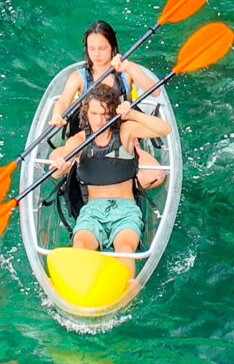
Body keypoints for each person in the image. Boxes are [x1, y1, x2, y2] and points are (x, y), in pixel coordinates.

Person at [49, 79, 169, 256]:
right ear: (86, 113)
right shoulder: (79, 140)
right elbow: (58, 174)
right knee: (80, 245)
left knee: (125, 249)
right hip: (92, 210)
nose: (99, 120)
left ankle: (129, 283)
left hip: (126, 208)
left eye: (105, 114)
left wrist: (134, 115)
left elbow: (164, 129)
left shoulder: (126, 131)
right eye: (94, 113)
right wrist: (61, 166)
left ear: (112, 113)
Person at [54, 21, 158, 123]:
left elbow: (155, 92)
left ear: (112, 47)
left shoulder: (126, 71)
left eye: (102, 48)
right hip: (91, 130)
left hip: (122, 129)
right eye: (92, 49)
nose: (96, 54)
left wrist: (129, 67)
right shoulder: (79, 77)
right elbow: (63, 102)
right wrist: (57, 115)